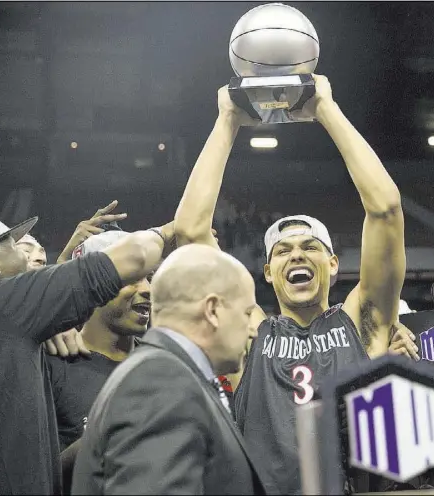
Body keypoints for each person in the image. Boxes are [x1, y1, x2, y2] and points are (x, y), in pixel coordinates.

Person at [172, 74, 406, 494]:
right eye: (282, 251)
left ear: (333, 264)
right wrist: (226, 120)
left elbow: (386, 209)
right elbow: (190, 231)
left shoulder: (364, 321)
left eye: (310, 247)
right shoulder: (248, 331)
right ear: (266, 272)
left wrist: (325, 109)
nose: (296, 255)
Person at [0, 205, 173, 495]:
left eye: (150, 277)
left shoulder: (13, 336)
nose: (26, 256)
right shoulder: (41, 350)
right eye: (12, 245)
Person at [71, 245, 266, 495]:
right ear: (213, 310)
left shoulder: (168, 375)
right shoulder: (161, 382)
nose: (252, 330)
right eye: (247, 313)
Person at [46, 231, 150, 452]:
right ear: (92, 288)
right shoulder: (51, 366)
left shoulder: (162, 364)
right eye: (132, 278)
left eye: (148, 277)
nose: (147, 289)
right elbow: (34, 474)